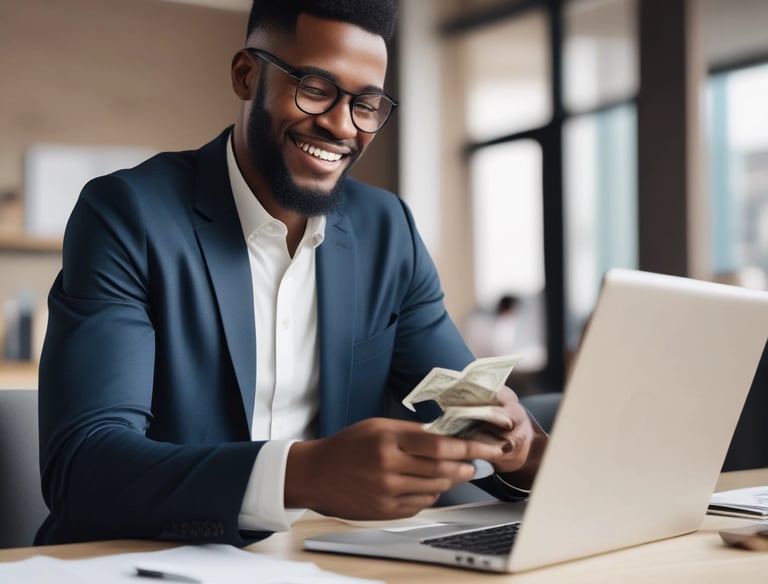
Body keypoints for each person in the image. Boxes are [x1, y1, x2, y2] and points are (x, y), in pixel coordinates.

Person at [36, 0, 547, 546]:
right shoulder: (128, 214)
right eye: (315, 88)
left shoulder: (387, 230)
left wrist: (517, 446)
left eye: (366, 104)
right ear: (246, 75)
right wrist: (304, 474)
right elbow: (84, 466)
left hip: (318, 562)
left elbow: (468, 413)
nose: (340, 125)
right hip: (140, 562)